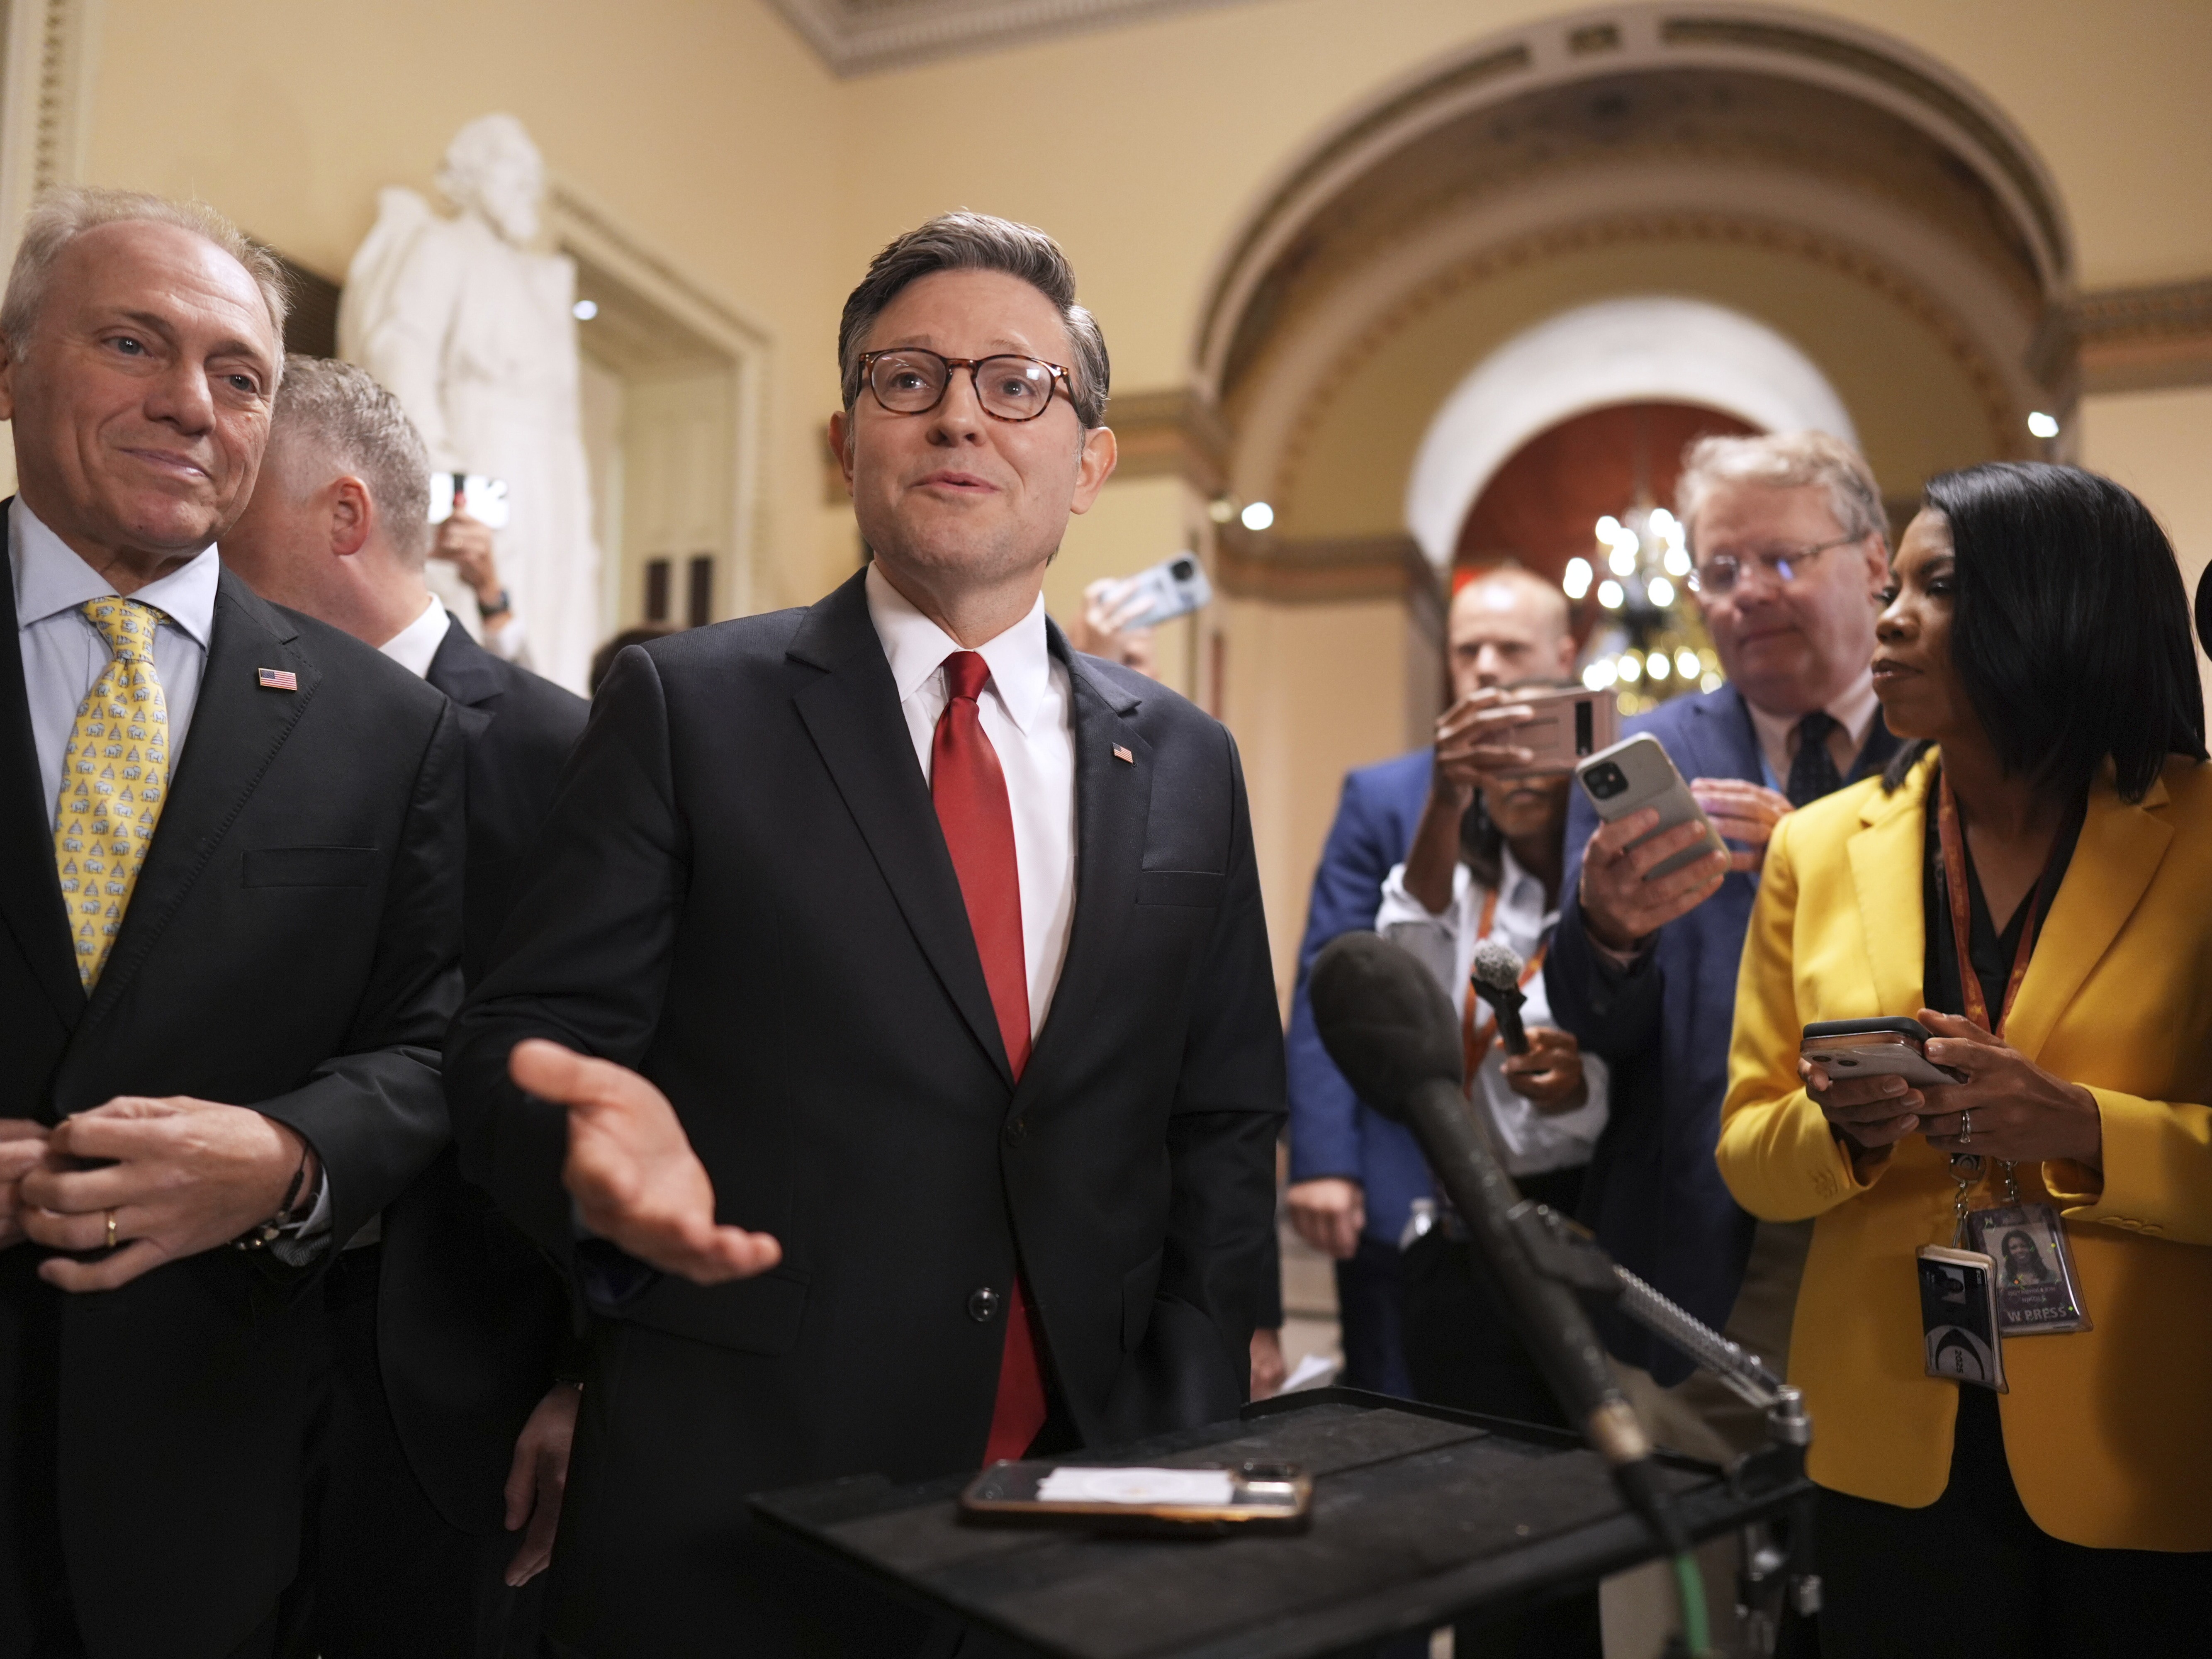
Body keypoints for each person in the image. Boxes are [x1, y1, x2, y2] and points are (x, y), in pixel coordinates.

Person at [443, 212, 1284, 1656]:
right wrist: (584, 1173)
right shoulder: (682, 708)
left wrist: (1202, 1376)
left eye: (1014, 383)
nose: (959, 412)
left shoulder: (1189, 759)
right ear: (848, 444)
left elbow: (1217, 1106)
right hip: (748, 1487)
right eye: (908, 379)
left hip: (1082, 1488)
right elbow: (523, 1049)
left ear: (1088, 464)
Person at [0, 188, 464, 1657]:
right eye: (134, 343)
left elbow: (437, 1041)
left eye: (239, 373)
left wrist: (287, 1158)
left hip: (207, 1494)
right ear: (12, 370)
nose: (190, 404)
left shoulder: (388, 731)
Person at [1718, 460, 2212, 1653]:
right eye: (1891, 585)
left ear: (2058, 606)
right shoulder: (1819, 847)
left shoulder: (2200, 835)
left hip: (2140, 1447)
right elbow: (1745, 1151)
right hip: (1880, 1439)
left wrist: (2083, 1127)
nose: (1887, 619)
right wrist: (1842, 1127)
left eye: (1934, 587)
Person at [220, 355, 589, 1658]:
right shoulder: (215, 719)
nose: (204, 519)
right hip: (222, 1364)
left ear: (341, 516)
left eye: (239, 491)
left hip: (458, 1388)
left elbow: (625, 1070)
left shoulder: (563, 752)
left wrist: (592, 1371)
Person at [1546, 431, 1900, 1460]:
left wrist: (1812, 856)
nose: (1747, 593)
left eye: (1784, 560)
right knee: (1680, 1608)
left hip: (1889, 1235)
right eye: (1722, 569)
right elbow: (1591, 1020)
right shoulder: (1652, 758)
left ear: (1875, 562)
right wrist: (1608, 928)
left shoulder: (1944, 744)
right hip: (1689, 1253)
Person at [1284, 567, 1577, 1396]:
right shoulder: (1388, 793)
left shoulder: (1600, 790)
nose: (1484, 665)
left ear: (1563, 655)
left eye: (1509, 648)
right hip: (1408, 1164)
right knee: (1395, 1396)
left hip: (1567, 1172)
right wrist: (1325, 1158)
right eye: (1466, 649)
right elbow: (1333, 975)